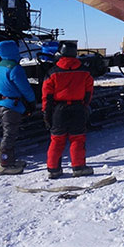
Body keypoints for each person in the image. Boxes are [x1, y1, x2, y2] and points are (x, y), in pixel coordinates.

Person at [42, 42, 94, 179]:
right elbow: (89, 91)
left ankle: (53, 169)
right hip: (78, 108)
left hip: (59, 110)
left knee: (57, 140)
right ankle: (78, 167)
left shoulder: (52, 72)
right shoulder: (85, 71)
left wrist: (46, 114)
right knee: (77, 138)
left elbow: (47, 96)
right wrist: (84, 106)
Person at [0, 40, 36, 175]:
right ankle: (5, 164)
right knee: (9, 135)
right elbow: (25, 87)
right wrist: (32, 101)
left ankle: (10, 161)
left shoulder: (0, 66)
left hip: (3, 103)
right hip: (12, 106)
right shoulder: (14, 68)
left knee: (9, 134)